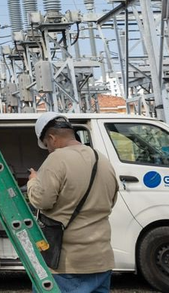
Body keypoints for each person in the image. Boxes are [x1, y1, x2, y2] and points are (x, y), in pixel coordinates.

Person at [26, 113, 120, 293]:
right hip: (102, 259)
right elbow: (111, 201)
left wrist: (33, 181)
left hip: (69, 264)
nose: (48, 149)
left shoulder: (57, 159)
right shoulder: (102, 159)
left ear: (52, 138)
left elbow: (41, 200)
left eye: (46, 144)